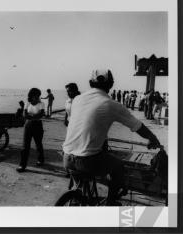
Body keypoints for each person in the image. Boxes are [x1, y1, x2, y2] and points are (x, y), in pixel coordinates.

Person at [62, 69, 161, 206]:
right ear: (111, 85)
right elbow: (137, 126)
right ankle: (111, 201)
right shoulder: (111, 104)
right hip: (87, 161)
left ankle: (77, 198)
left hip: (66, 157)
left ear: (91, 83)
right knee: (118, 166)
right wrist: (153, 138)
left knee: (82, 183)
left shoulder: (77, 100)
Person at [17, 88, 45, 172]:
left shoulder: (41, 104)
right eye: (36, 95)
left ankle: (41, 160)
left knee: (38, 144)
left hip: (38, 125)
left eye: (38, 96)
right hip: (28, 125)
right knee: (25, 146)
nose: (37, 97)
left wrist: (31, 116)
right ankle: (22, 165)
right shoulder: (27, 103)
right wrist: (33, 116)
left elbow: (40, 115)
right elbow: (25, 115)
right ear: (31, 95)